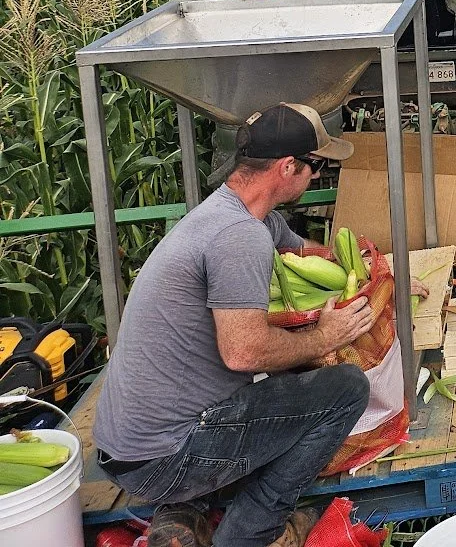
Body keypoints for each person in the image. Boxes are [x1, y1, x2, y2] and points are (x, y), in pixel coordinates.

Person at [94, 103, 375, 547]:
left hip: (128, 448)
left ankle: (190, 510)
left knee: (280, 383)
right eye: (316, 167)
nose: (317, 178)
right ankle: (250, 533)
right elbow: (243, 352)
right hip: (161, 459)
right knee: (347, 389)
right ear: (288, 167)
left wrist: (384, 275)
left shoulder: (239, 214)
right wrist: (327, 336)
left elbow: (315, 256)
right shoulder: (238, 237)